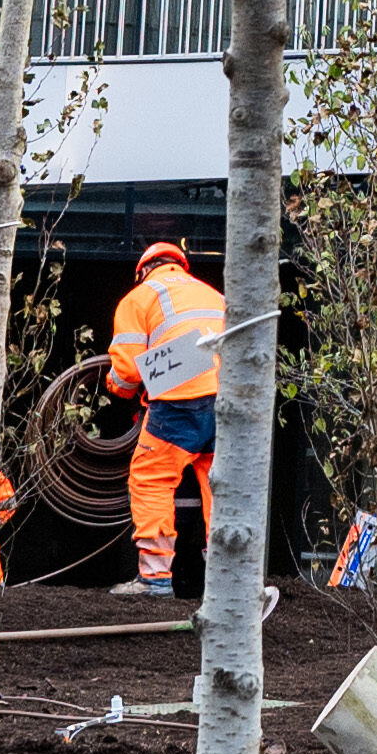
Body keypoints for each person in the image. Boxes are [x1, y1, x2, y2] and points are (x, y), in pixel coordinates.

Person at [110, 236, 226, 592]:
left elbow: (126, 373)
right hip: (226, 403)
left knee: (151, 480)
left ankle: (155, 579)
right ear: (179, 264)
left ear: (143, 269)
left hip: (178, 404)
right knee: (220, 484)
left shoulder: (140, 297)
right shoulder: (214, 294)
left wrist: (119, 389)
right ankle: (227, 581)